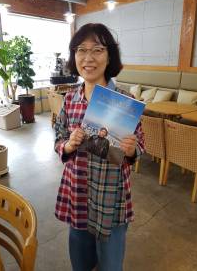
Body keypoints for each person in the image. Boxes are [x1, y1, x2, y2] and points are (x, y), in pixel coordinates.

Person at [54, 23, 145, 271]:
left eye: (97, 50)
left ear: (109, 56)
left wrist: (131, 149)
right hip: (78, 190)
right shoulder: (70, 99)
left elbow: (141, 145)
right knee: (80, 261)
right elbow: (58, 138)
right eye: (81, 50)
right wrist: (68, 145)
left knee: (110, 263)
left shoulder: (125, 102)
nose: (88, 58)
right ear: (74, 56)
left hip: (110, 194)